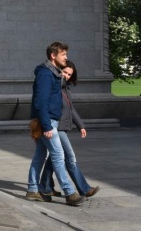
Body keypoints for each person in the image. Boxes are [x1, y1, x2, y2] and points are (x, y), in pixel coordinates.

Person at [26, 42, 85, 206]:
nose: (66, 58)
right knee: (59, 156)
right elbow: (41, 102)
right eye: (63, 54)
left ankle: (32, 189)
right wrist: (46, 126)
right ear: (53, 55)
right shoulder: (46, 74)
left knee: (39, 156)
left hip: (50, 120)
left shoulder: (53, 73)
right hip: (48, 122)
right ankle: (69, 192)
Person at [39, 60, 100, 199]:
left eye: (69, 74)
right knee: (70, 157)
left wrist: (81, 125)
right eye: (64, 72)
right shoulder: (56, 87)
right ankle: (84, 189)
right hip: (57, 127)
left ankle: (45, 186)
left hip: (63, 127)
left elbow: (70, 109)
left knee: (54, 158)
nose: (66, 75)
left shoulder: (66, 89)